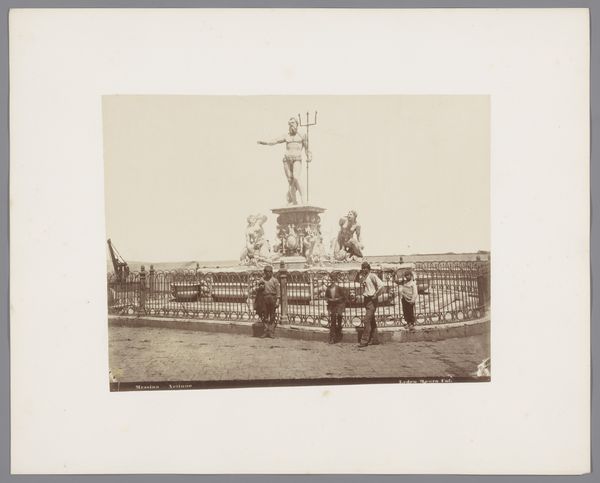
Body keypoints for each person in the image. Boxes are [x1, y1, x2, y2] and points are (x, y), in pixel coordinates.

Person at [257, 117, 312, 206]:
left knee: (296, 178)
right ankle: (293, 201)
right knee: (290, 181)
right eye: (289, 124)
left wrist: (309, 156)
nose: (291, 125)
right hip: (286, 160)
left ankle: (303, 199)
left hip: (297, 159)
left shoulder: (302, 135)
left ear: (297, 124)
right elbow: (275, 140)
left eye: (293, 123)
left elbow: (307, 148)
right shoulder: (286, 136)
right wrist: (266, 142)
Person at [355, 261, 384, 347]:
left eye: (365, 268)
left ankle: (364, 341)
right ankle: (375, 339)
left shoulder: (372, 276)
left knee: (366, 320)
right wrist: (358, 273)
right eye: (363, 268)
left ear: (369, 268)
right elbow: (357, 281)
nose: (364, 269)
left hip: (372, 300)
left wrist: (376, 295)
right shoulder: (364, 277)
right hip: (366, 300)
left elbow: (381, 286)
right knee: (371, 320)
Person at [325, 272, 347, 344]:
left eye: (333, 279)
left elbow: (344, 297)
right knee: (333, 322)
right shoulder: (328, 288)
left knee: (339, 320)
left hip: (339, 305)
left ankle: (338, 335)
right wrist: (329, 300)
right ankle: (332, 338)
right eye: (331, 279)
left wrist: (337, 299)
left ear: (335, 280)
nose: (332, 280)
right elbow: (326, 297)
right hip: (332, 306)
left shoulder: (339, 288)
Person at [259, 265, 281, 338]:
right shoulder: (262, 279)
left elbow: (278, 291)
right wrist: (260, 287)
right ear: (264, 272)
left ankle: (271, 332)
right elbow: (258, 289)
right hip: (264, 298)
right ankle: (265, 331)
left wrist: (277, 300)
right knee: (264, 315)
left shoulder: (275, 280)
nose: (268, 273)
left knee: (272, 315)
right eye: (266, 272)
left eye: (269, 272)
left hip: (272, 298)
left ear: (272, 272)